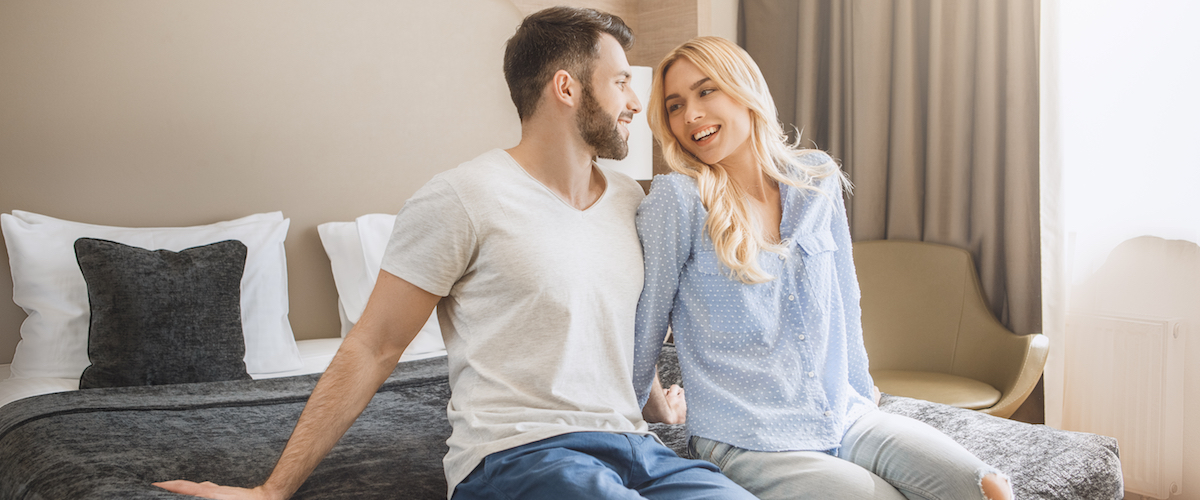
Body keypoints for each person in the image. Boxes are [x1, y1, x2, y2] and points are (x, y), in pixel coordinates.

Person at [155, 9, 755, 500]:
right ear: (567, 88)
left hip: (634, 447)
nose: (635, 102)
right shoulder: (463, 198)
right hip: (520, 458)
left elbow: (623, 324)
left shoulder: (631, 200)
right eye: (622, 80)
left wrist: (657, 410)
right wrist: (271, 491)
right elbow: (373, 345)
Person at [632, 36, 1015, 500]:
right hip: (749, 438)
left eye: (706, 91)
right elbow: (644, 325)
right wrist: (642, 415)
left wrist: (861, 386)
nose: (690, 115)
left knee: (988, 486)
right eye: (675, 106)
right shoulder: (677, 200)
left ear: (745, 88)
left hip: (844, 412)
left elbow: (844, 295)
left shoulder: (816, 178)